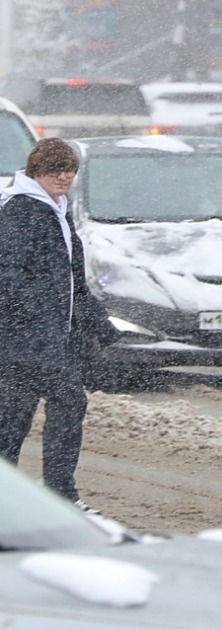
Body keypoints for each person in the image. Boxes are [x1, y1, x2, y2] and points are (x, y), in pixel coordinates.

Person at [0, 138, 118, 509]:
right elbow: (7, 276)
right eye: (55, 170)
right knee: (65, 404)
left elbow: (71, 283)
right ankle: (59, 495)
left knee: (13, 421)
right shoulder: (21, 210)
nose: (64, 176)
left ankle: (22, 496)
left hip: (46, 340)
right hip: (26, 341)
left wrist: (101, 324)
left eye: (69, 170)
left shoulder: (55, 210)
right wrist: (38, 318)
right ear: (37, 171)